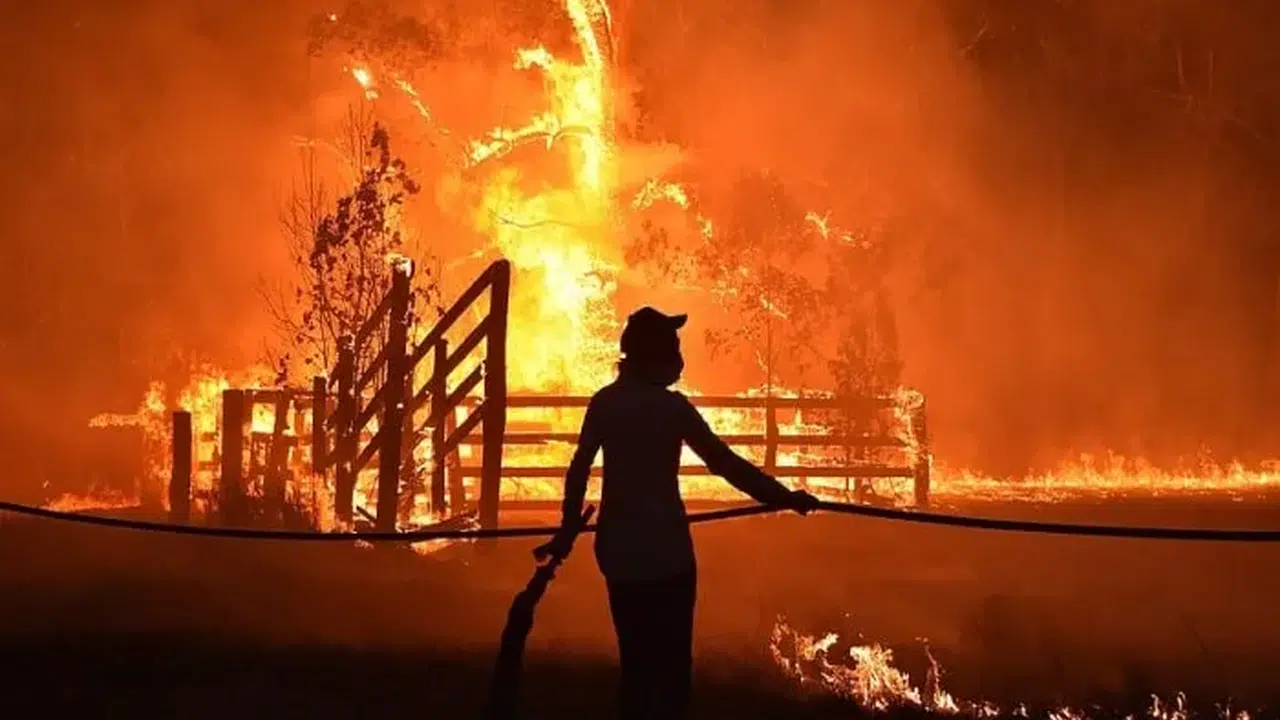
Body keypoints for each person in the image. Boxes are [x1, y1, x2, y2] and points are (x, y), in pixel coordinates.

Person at [536, 306, 820, 720]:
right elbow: (726, 464)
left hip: (619, 554)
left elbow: (579, 468)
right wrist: (783, 497)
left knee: (636, 664)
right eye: (673, 347)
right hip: (667, 554)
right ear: (655, 355)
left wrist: (566, 530)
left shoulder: (605, 404)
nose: (679, 358)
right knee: (672, 669)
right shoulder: (672, 410)